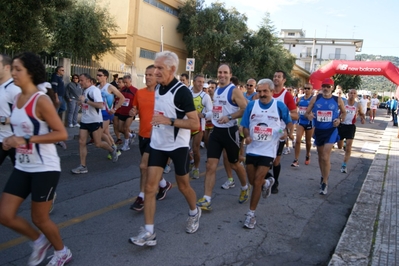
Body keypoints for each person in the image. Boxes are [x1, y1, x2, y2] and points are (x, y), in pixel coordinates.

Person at [0, 52, 72, 266]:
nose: (13, 73)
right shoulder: (16, 99)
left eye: (18, 69)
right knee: (5, 215)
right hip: (23, 166)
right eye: (12, 68)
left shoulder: (40, 100)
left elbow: (61, 133)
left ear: (30, 73)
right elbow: (20, 125)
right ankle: (39, 241)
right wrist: (11, 139)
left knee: (39, 218)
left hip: (44, 168)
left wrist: (25, 138)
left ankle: (62, 252)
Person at [129, 51, 201, 246]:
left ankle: (194, 212)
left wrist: (169, 121)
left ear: (172, 69)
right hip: (158, 145)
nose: (156, 71)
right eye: (154, 67)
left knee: (183, 186)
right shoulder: (158, 88)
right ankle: (149, 232)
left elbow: (195, 124)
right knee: (150, 187)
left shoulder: (182, 91)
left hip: (177, 146)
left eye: (160, 68)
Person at [196, 64, 249, 211]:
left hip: (230, 132)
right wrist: (207, 116)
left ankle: (245, 187)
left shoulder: (234, 90)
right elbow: (216, 110)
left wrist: (230, 117)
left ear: (230, 74)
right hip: (216, 132)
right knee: (210, 165)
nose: (222, 75)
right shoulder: (217, 89)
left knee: (235, 164)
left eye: (225, 72)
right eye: (220, 72)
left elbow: (245, 108)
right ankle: (207, 199)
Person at [240, 78, 292, 229]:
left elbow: (289, 123)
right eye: (260, 91)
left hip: (268, 151)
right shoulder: (251, 105)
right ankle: (267, 182)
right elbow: (244, 125)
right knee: (252, 181)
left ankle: (251, 215)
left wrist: (286, 133)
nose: (262, 94)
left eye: (265, 91)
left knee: (256, 181)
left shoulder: (279, 106)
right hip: (252, 149)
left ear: (271, 91)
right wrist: (247, 136)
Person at [129, 65, 172, 211]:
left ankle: (142, 197)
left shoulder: (163, 94)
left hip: (158, 137)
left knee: (143, 166)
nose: (147, 77)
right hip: (143, 135)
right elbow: (134, 111)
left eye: (150, 75)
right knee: (150, 168)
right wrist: (132, 112)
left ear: (157, 77)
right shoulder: (139, 93)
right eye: (146, 75)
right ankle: (164, 185)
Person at [305, 78, 346, 195]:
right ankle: (323, 176)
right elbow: (307, 112)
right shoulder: (316, 98)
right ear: (321, 87)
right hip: (319, 130)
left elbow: (344, 112)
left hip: (331, 130)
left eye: (328, 86)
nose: (326, 88)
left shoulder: (337, 100)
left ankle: (325, 182)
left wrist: (339, 119)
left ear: (332, 88)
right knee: (320, 156)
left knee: (325, 155)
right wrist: (309, 115)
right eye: (324, 86)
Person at [71, 73, 119, 174]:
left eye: (82, 80)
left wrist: (86, 101)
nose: (80, 82)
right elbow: (87, 103)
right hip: (85, 120)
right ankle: (83, 166)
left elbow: (100, 105)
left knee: (97, 143)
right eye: (79, 80)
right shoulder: (85, 90)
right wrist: (81, 103)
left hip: (95, 120)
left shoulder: (94, 90)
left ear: (88, 81)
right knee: (81, 142)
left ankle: (112, 150)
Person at [267, 70, 297, 194]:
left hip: (280, 131)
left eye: (279, 77)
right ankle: (268, 179)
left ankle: (275, 182)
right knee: (265, 158)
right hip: (266, 130)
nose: (276, 78)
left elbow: (295, 115)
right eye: (274, 76)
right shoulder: (268, 92)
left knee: (276, 161)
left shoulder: (286, 95)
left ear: (284, 80)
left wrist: (282, 114)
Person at [96, 68, 125, 159]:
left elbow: (122, 98)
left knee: (99, 134)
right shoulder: (97, 87)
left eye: (100, 75)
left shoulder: (110, 87)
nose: (98, 77)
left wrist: (115, 109)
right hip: (98, 113)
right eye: (97, 75)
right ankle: (115, 149)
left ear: (105, 77)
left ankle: (113, 150)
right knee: (106, 133)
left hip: (107, 113)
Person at [190, 74, 212, 179]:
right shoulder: (187, 93)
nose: (201, 84)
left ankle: (196, 168)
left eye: (202, 82)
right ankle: (191, 160)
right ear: (194, 82)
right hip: (186, 124)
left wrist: (203, 115)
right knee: (183, 147)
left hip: (199, 125)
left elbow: (212, 111)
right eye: (199, 82)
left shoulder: (205, 96)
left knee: (195, 149)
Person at [0, 54, 21, 167]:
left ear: (6, 67)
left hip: (15, 140)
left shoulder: (14, 89)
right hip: (1, 139)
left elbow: (25, 116)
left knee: (24, 174)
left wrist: (2, 119)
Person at [337, 89, 365, 173]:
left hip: (350, 127)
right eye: (351, 93)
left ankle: (344, 165)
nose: (352, 95)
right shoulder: (343, 102)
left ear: (356, 95)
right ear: (348, 94)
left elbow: (361, 113)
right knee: (339, 146)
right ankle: (343, 143)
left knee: (349, 147)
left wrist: (362, 119)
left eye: (354, 93)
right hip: (341, 125)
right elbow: (336, 110)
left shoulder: (358, 105)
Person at [291, 83, 314, 167]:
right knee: (298, 140)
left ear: (312, 90)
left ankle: (308, 154)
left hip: (309, 122)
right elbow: (294, 106)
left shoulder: (313, 99)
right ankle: (296, 159)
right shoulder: (300, 99)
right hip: (301, 121)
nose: (307, 90)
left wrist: (312, 114)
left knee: (308, 142)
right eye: (305, 88)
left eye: (308, 88)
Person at [116, 75, 137, 151]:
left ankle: (126, 145)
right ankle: (131, 135)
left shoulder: (135, 90)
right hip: (122, 111)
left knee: (125, 128)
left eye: (126, 82)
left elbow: (137, 102)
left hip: (130, 113)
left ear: (130, 81)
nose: (125, 84)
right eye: (124, 82)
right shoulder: (122, 89)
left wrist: (135, 110)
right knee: (120, 129)